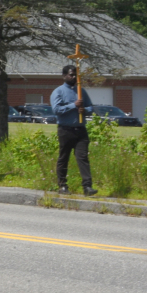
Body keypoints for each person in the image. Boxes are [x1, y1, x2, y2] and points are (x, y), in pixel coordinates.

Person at [51, 65, 97, 196]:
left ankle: (87, 187)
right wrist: (73, 105)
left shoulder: (81, 91)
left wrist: (85, 110)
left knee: (83, 157)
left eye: (76, 75)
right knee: (64, 158)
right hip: (65, 130)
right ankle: (62, 186)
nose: (74, 77)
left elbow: (90, 107)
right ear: (64, 76)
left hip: (81, 130)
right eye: (71, 75)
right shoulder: (58, 92)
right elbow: (56, 110)